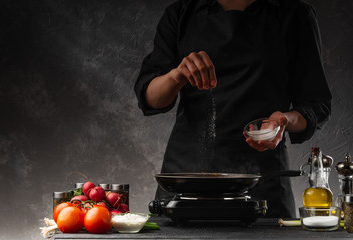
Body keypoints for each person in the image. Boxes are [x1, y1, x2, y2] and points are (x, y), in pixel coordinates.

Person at [134, 0, 331, 218]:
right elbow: (151, 99)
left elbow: (316, 104)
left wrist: (283, 121)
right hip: (186, 178)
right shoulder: (182, 13)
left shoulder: (294, 14)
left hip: (261, 177)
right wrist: (176, 75)